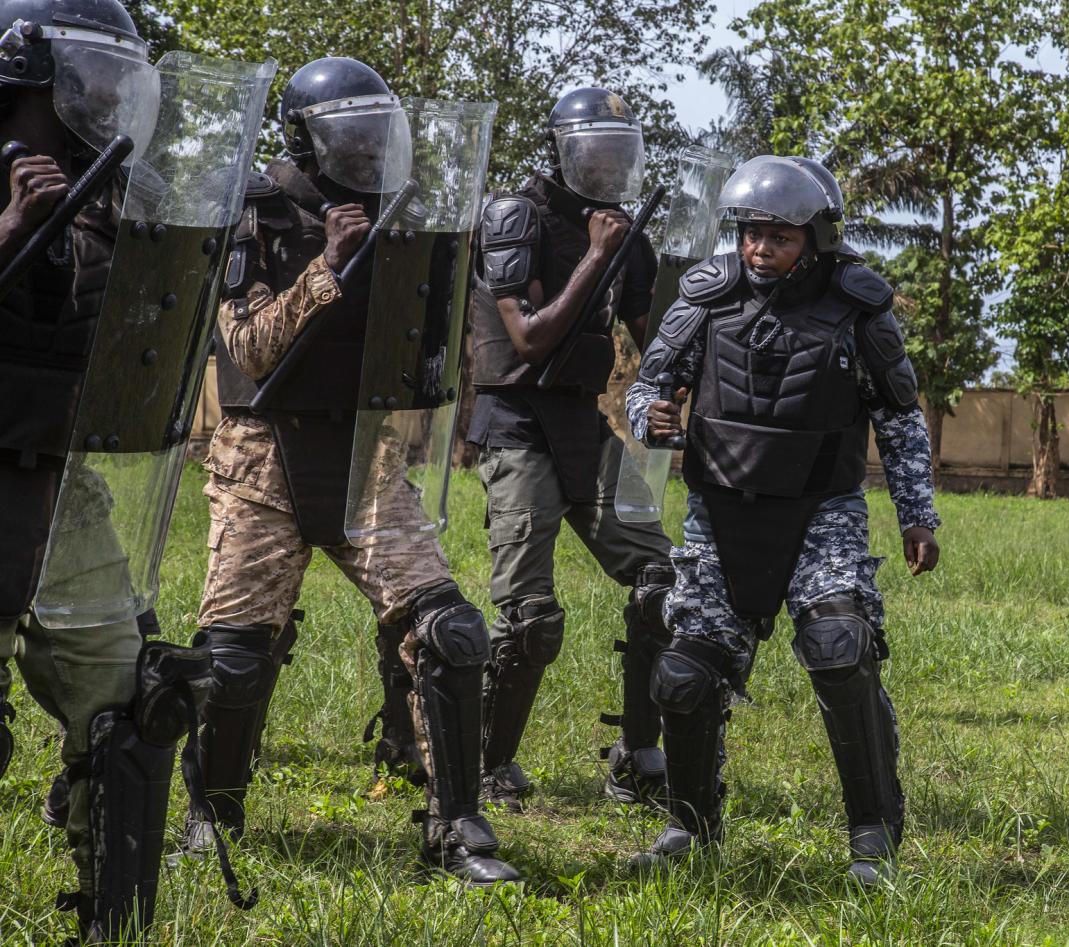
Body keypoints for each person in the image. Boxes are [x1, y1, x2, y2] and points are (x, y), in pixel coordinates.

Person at [189, 55, 519, 887]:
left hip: (366, 458)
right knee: (234, 657)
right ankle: (213, 812)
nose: (369, 150)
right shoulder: (253, 212)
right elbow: (249, 348)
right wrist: (328, 267)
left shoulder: (403, 216)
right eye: (351, 135)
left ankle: (456, 826)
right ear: (306, 140)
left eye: (379, 133)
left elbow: (431, 347)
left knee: (449, 631)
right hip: (261, 459)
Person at [0, 0, 266, 937]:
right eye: (87, 76)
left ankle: (114, 926)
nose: (108, 97)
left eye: (119, 77)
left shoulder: (114, 195)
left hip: (57, 482)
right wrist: (13, 225)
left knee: (137, 705)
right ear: (25, 77)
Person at [625, 155, 941, 885]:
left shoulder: (858, 306)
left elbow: (899, 420)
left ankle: (872, 837)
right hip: (719, 511)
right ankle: (690, 826)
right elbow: (647, 389)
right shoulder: (706, 296)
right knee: (683, 673)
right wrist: (654, 418)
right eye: (750, 233)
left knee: (839, 646)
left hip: (821, 511)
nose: (759, 248)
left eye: (779, 237)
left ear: (817, 239)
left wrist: (917, 517)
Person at [469, 86, 674, 810]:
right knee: (531, 618)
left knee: (663, 581)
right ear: (562, 152)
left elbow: (663, 342)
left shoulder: (630, 236)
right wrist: (595, 255)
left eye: (620, 152)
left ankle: (638, 756)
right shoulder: (513, 216)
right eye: (595, 151)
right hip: (517, 425)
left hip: (585, 428)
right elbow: (528, 339)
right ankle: (485, 765)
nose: (608, 166)